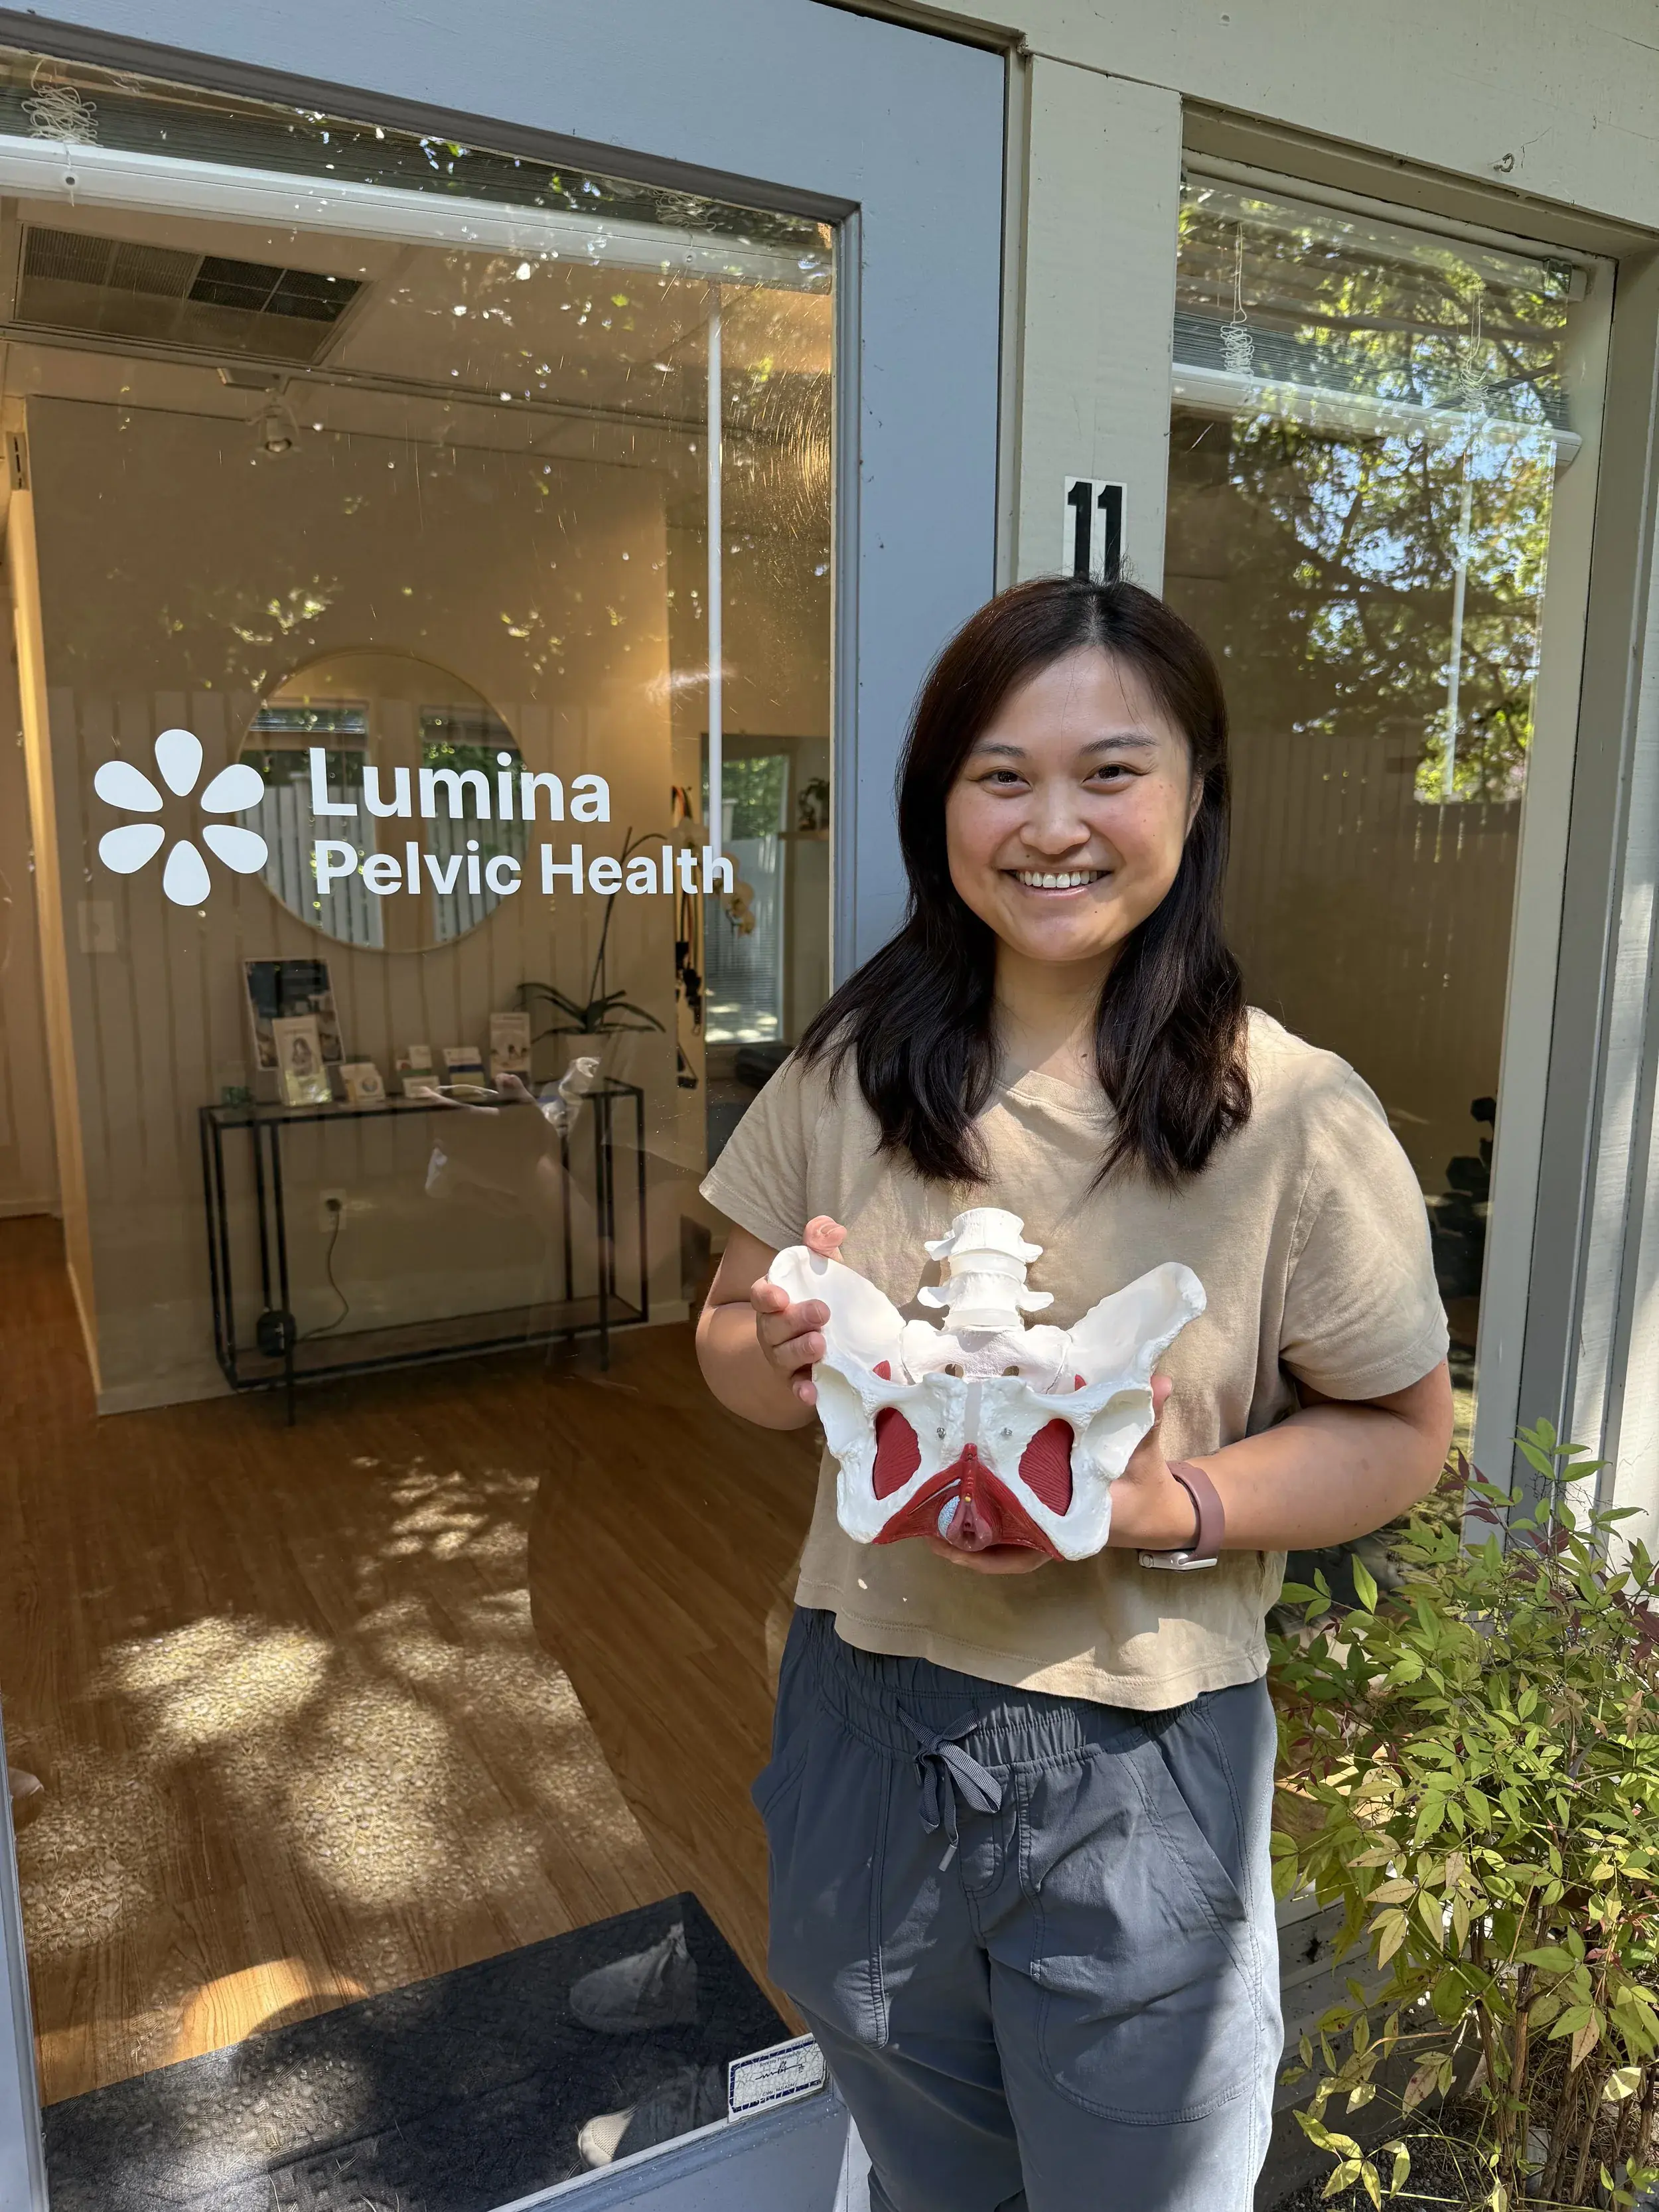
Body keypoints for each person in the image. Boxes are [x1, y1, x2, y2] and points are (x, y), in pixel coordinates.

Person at [694, 576, 1453, 2212]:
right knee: (927, 2181)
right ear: (938, 804)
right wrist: (776, 1345)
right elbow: (727, 1348)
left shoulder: (1294, 1114)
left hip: (1144, 1753)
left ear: (1193, 796)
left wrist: (1157, 1507)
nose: (1053, 823)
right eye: (998, 773)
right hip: (863, 1717)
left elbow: (1402, 1431)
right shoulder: (844, 1067)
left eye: (1110, 770)